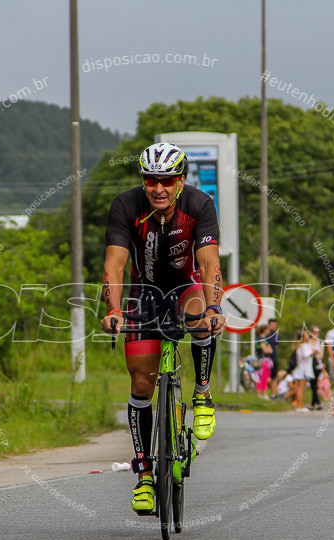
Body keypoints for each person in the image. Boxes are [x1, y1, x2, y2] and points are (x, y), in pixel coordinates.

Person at [101, 142, 226, 515]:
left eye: (167, 181)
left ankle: (202, 395)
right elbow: (115, 266)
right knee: (141, 384)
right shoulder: (126, 206)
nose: (159, 188)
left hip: (185, 285)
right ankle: (143, 477)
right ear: (143, 181)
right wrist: (113, 309)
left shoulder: (199, 204)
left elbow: (208, 264)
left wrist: (216, 306)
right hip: (143, 292)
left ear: (180, 179)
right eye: (151, 180)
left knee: (199, 314)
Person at [287, 328, 315, 410]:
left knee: (299, 388)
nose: (308, 336)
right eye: (306, 335)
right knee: (301, 389)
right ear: (303, 338)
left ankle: (300, 405)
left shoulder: (298, 346)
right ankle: (300, 406)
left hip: (299, 369)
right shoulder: (304, 345)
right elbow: (307, 355)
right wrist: (314, 353)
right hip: (303, 370)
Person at [308, 326, 325, 410]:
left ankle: (314, 403)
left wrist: (313, 354)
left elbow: (320, 355)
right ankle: (317, 403)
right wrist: (313, 354)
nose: (316, 334)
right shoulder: (308, 342)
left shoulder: (321, 342)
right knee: (313, 384)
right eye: (314, 332)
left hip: (317, 365)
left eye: (317, 332)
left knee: (314, 383)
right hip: (308, 365)